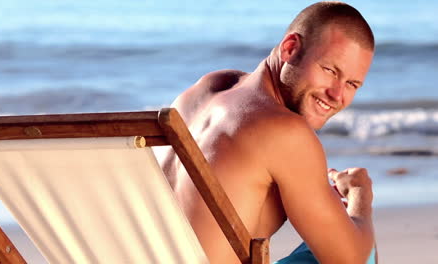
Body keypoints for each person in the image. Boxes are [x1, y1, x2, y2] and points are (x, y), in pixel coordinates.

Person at [156, 2, 377, 263]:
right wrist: (360, 199)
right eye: (329, 70)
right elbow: (350, 260)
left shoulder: (206, 90)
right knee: (361, 247)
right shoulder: (286, 131)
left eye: (352, 84)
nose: (337, 95)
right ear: (290, 48)